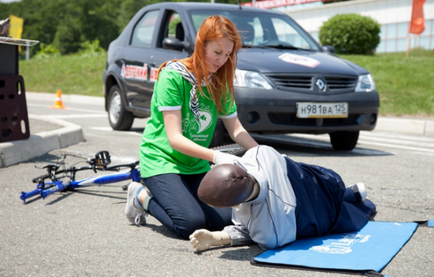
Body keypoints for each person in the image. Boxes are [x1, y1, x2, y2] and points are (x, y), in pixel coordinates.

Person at [125, 15, 259, 240]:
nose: (222, 61)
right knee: (189, 224)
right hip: (162, 161)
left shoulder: (220, 81)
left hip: (195, 164)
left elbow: (236, 130)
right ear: (201, 44)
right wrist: (217, 157)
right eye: (217, 52)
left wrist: (262, 154)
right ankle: (140, 196)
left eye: (227, 55)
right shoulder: (172, 76)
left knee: (224, 222)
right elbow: (175, 139)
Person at [189, 145, 377, 251]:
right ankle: (349, 193)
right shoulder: (259, 153)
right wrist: (214, 238)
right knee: (331, 188)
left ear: (236, 204)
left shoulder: (271, 232)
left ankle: (355, 199)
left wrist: (218, 238)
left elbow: (248, 233)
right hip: (323, 180)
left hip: (319, 210)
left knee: (347, 213)